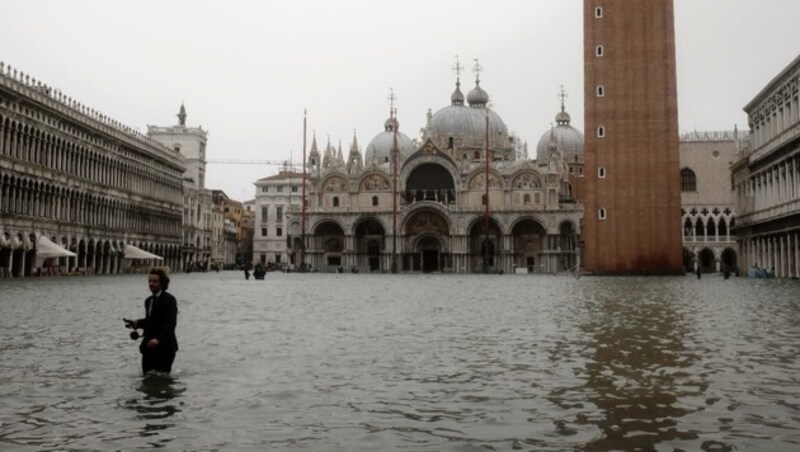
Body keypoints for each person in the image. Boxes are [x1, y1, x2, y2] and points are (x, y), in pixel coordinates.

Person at [130, 268, 179, 375]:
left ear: (162, 283)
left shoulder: (169, 300)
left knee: (162, 378)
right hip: (148, 346)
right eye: (150, 281)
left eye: (155, 281)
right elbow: (151, 321)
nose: (151, 283)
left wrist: (157, 339)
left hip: (165, 347)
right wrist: (137, 323)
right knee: (146, 377)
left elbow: (171, 323)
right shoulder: (148, 301)